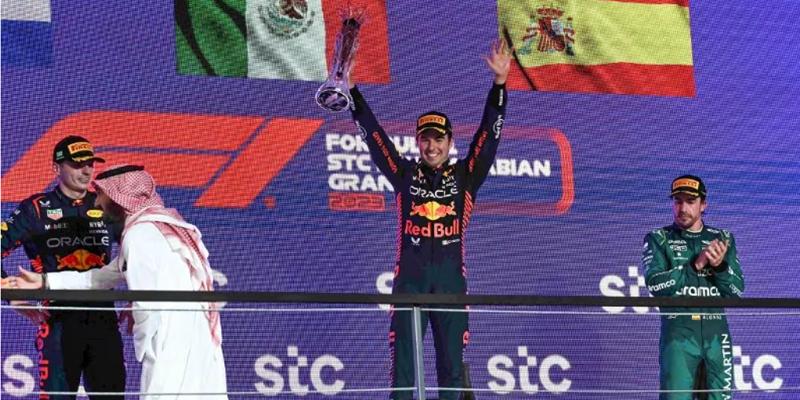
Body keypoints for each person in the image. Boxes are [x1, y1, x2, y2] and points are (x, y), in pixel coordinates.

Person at [348, 40, 511, 399]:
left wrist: (499, 88)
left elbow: (488, 139)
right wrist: (353, 94)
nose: (432, 146)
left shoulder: (466, 176)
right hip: (409, 285)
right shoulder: (405, 175)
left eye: (438, 138)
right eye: (425, 139)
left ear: (451, 141)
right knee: (404, 370)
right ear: (418, 142)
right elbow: (377, 143)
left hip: (452, 286)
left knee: (452, 369)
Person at [7, 165, 228, 399]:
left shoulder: (140, 235)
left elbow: (148, 301)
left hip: (169, 340)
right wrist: (44, 281)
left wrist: (141, 330)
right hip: (199, 337)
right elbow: (101, 277)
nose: (97, 203)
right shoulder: (166, 225)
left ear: (117, 197)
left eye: (101, 194)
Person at [0, 135, 125, 399]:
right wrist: (11, 296)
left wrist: (138, 302)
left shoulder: (104, 204)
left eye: (90, 163)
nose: (87, 170)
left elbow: (137, 256)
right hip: (58, 323)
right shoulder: (35, 208)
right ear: (57, 168)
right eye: (77, 164)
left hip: (104, 322)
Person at [643, 175, 745, 400]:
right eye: (678, 201)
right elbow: (655, 284)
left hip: (717, 336)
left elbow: (737, 291)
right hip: (678, 336)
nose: (683, 208)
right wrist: (695, 266)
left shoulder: (723, 238)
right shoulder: (659, 238)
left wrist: (719, 267)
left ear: (703, 204)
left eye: (690, 201)